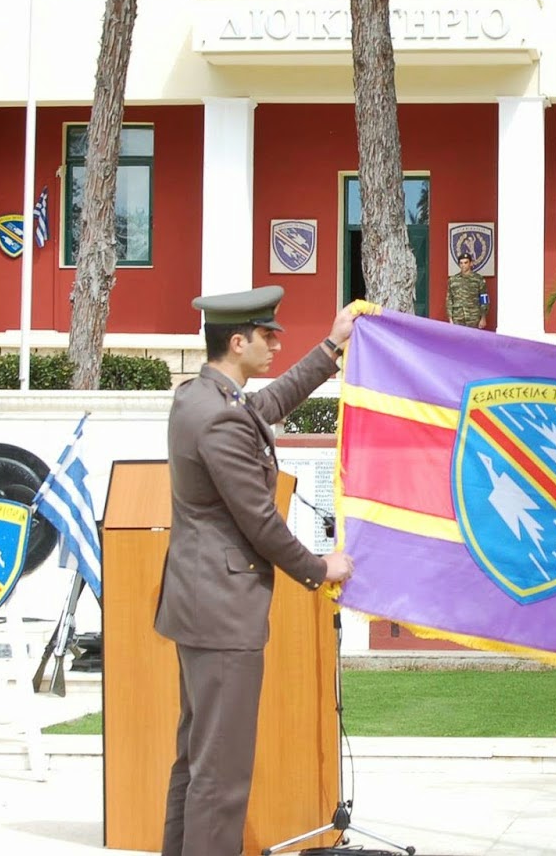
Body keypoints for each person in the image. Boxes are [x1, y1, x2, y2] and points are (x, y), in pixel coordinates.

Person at [156, 286, 357, 856]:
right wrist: (321, 568)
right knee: (221, 777)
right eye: (266, 336)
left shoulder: (203, 398)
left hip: (199, 603)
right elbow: (260, 523)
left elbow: (267, 409)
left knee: (197, 761)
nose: (275, 343)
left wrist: (330, 348)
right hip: (222, 610)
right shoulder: (219, 417)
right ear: (237, 341)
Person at [446, 252, 488, 328]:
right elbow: (449, 300)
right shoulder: (453, 280)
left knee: (473, 339)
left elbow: (484, 299)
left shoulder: (478, 279)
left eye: (466, 263)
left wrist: (483, 318)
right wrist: (450, 318)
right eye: (461, 263)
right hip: (458, 318)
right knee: (457, 339)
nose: (463, 265)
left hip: (474, 318)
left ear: (471, 263)